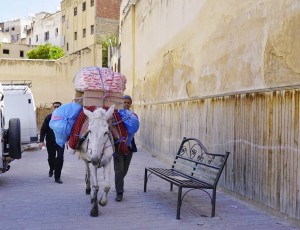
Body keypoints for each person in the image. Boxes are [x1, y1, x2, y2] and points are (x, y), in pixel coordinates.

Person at [114, 95, 138, 202]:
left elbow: (134, 128)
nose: (126, 104)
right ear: (121, 102)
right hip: (118, 147)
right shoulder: (116, 115)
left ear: (131, 104)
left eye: (128, 102)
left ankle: (119, 184)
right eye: (125, 102)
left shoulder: (133, 115)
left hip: (129, 147)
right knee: (119, 170)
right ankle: (119, 192)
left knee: (125, 170)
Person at [39, 101, 65, 184]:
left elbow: (67, 129)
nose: (57, 108)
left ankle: (57, 177)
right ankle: (51, 168)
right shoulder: (48, 118)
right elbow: (43, 130)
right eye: (55, 107)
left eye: (58, 107)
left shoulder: (64, 118)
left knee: (60, 157)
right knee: (51, 157)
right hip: (50, 141)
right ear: (53, 108)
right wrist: (41, 141)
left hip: (60, 141)